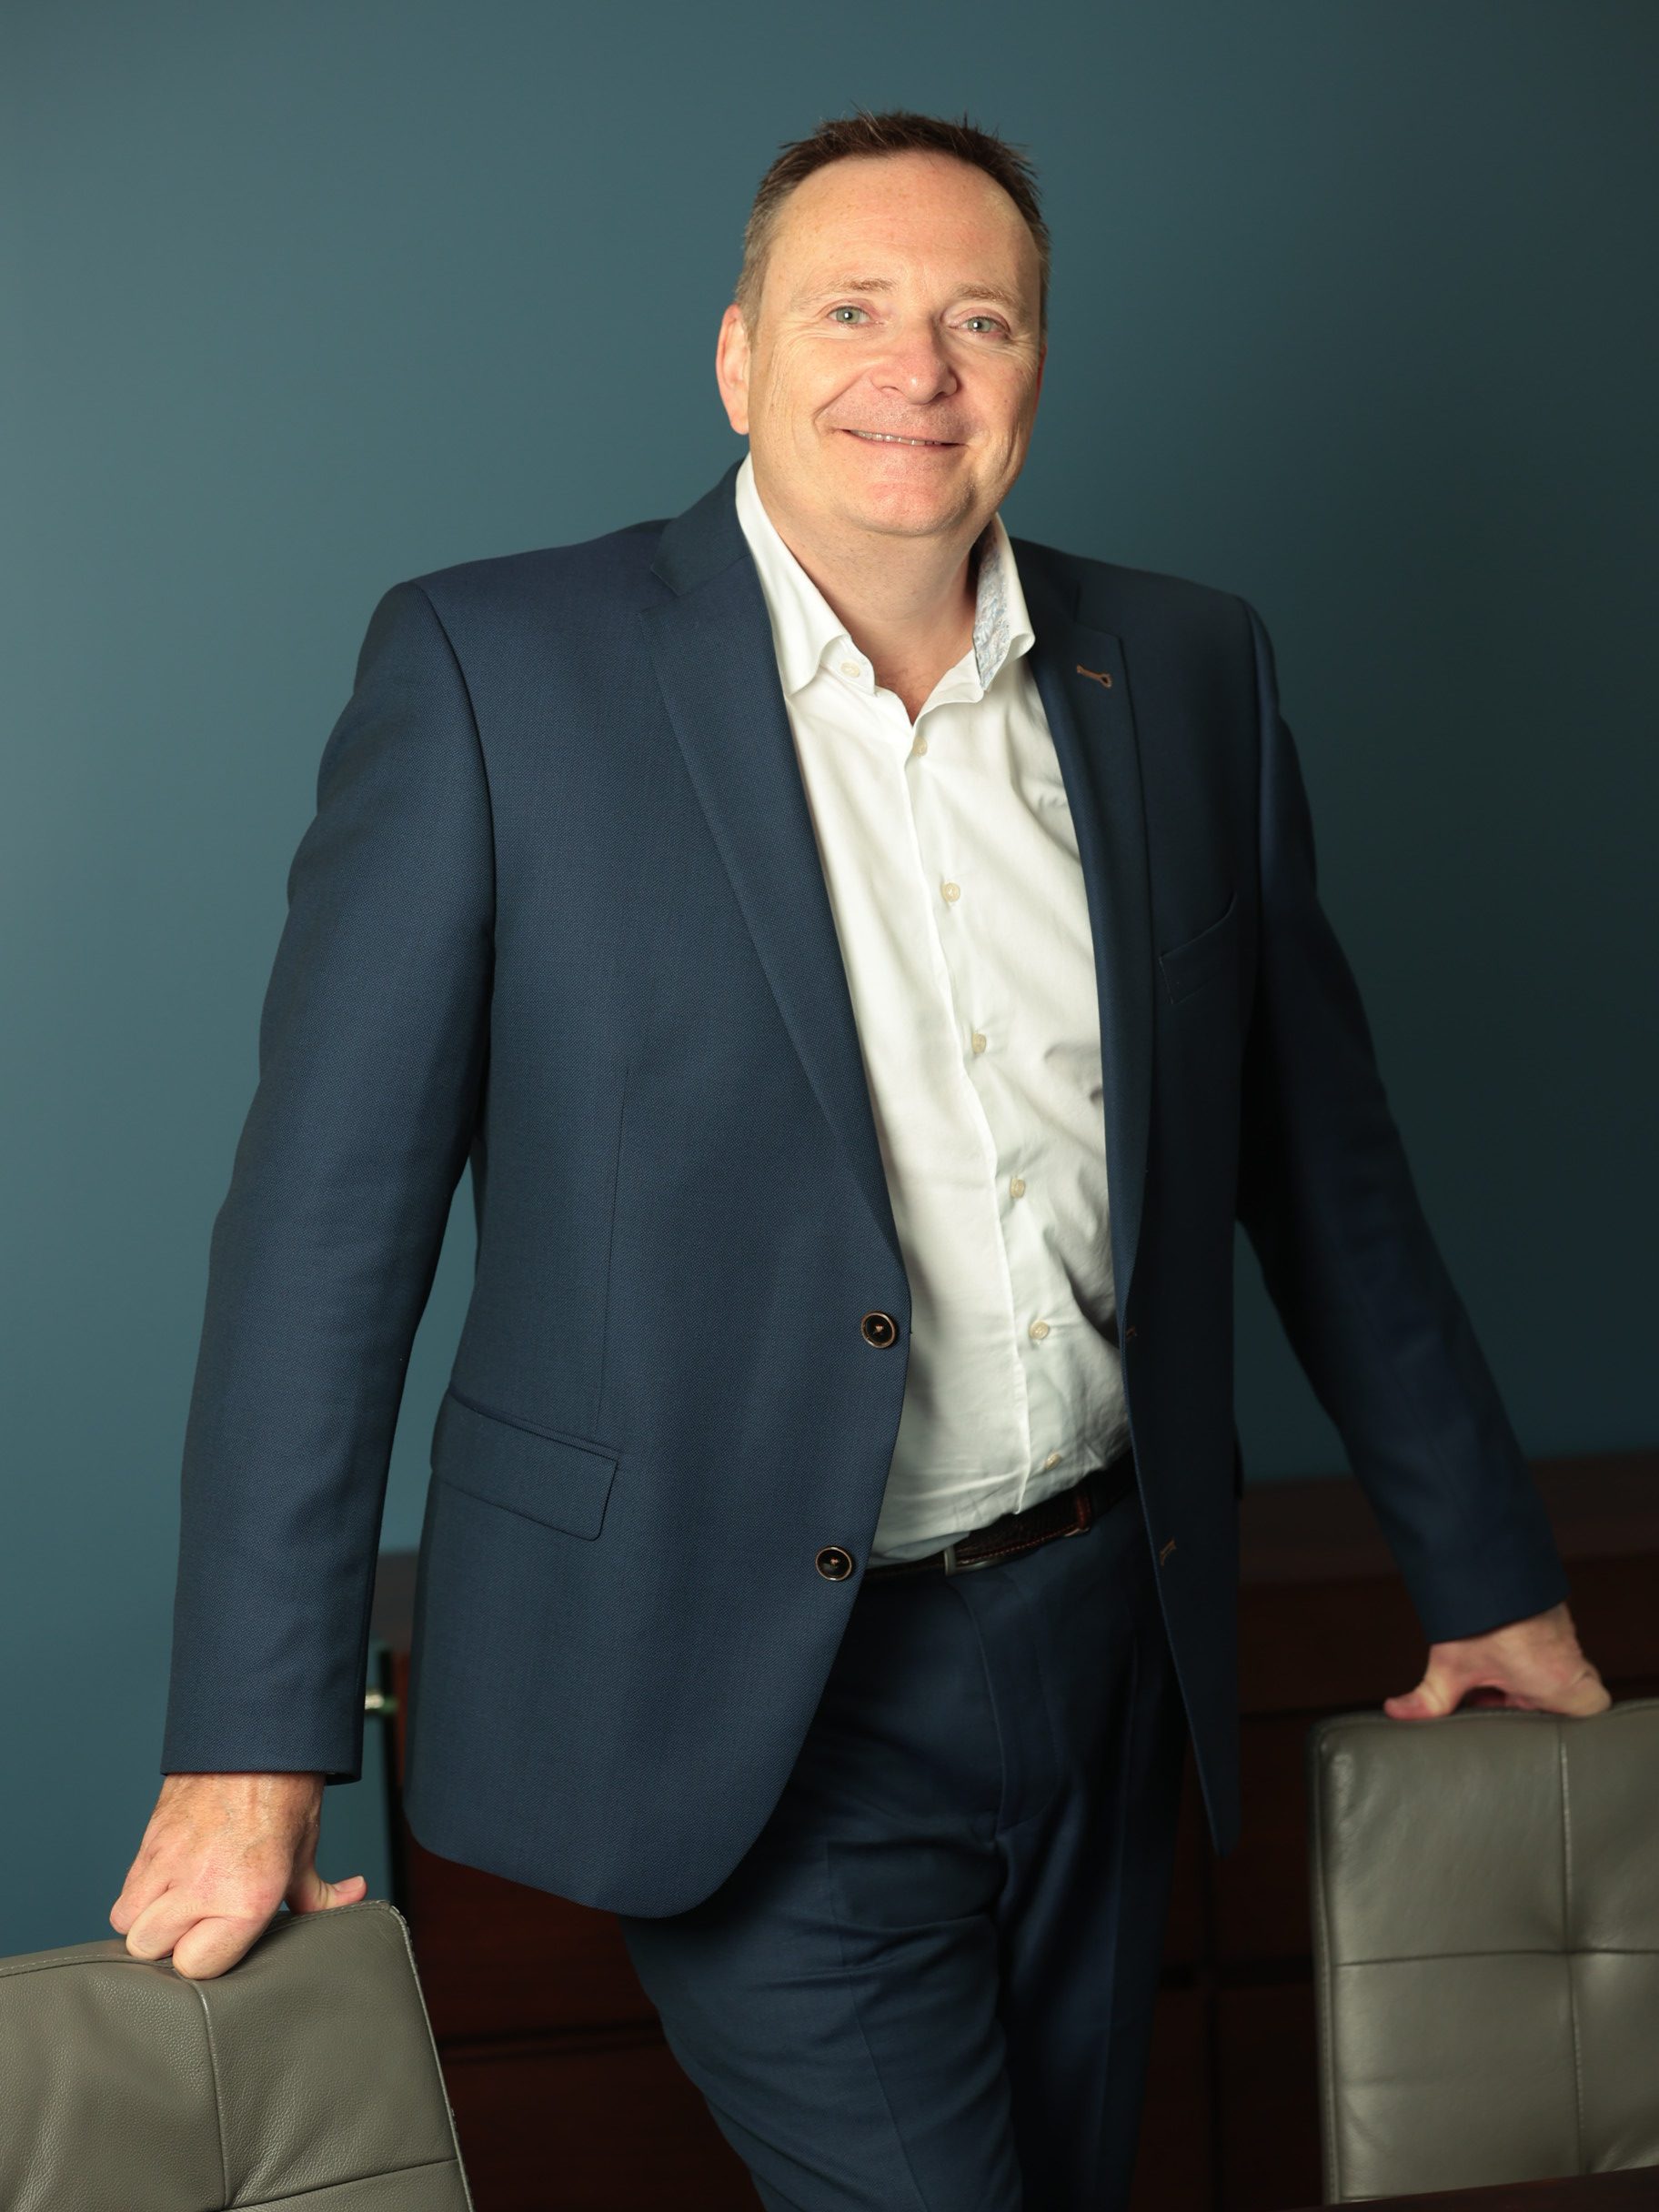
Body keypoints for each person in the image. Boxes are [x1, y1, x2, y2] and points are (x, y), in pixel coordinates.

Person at [111, 107, 1609, 2209]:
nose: (918, 370)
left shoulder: (1183, 671)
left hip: (1103, 1642)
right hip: (736, 1682)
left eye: (978, 319)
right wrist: (257, 1739)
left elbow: (1325, 1162)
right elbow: (321, 1241)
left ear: (1035, 373)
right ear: (738, 359)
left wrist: (1490, 1577)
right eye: (855, 311)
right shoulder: (491, 674)